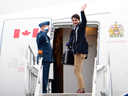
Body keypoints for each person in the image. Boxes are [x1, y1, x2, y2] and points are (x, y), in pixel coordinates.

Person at [66, 4, 88, 93]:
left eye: (76, 20)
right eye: (73, 20)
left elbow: (85, 22)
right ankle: (81, 88)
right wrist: (69, 45)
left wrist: (82, 12)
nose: (74, 22)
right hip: (76, 51)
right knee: (77, 70)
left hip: (80, 51)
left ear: (79, 20)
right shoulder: (74, 29)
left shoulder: (81, 27)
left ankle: (81, 89)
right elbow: (71, 39)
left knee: (76, 70)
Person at [36, 21, 53, 93]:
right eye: (47, 27)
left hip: (47, 59)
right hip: (43, 58)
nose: (48, 29)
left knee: (46, 76)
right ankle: (43, 91)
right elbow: (41, 37)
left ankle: (45, 90)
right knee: (43, 76)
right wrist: (45, 31)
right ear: (43, 27)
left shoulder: (46, 36)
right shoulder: (40, 35)